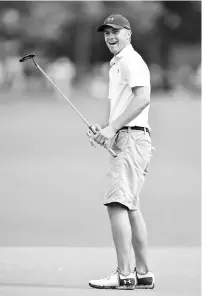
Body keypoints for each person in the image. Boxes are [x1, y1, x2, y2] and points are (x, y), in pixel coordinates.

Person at [87, 14, 155, 290]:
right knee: (131, 207)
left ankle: (125, 274)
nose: (110, 37)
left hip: (132, 139)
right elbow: (122, 107)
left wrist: (113, 128)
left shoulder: (130, 60)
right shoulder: (116, 64)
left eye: (115, 31)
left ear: (128, 33)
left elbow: (143, 98)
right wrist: (105, 129)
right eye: (106, 33)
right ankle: (143, 273)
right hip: (128, 138)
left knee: (117, 204)